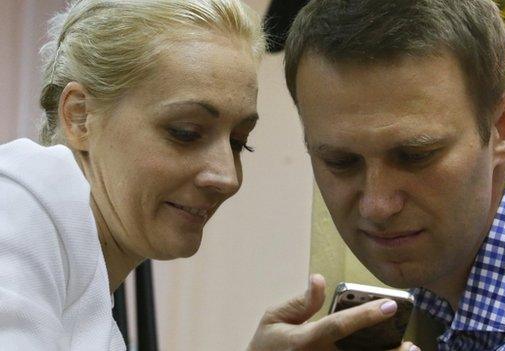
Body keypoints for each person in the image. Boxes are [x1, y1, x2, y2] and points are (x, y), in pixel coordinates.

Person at [0, 0, 417, 350]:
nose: (227, 177)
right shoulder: (15, 209)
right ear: (80, 115)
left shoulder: (87, 296)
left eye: (239, 143)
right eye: (185, 132)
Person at [281, 0, 505, 350]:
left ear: (504, 127)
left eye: (416, 156)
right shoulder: (449, 258)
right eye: (340, 161)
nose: (377, 206)